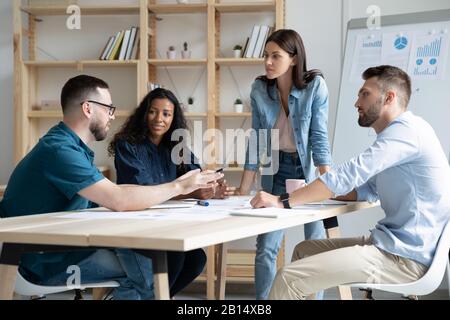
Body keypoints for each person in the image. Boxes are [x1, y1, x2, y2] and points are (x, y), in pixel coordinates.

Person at [0, 75, 223, 300]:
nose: (112, 115)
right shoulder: (60, 151)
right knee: (154, 269)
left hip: (60, 245)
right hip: (41, 261)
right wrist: (179, 186)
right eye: (108, 108)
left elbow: (106, 200)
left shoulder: (75, 149)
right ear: (88, 108)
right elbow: (119, 199)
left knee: (188, 258)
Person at [249, 65, 450, 299]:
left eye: (365, 94)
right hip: (389, 245)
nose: (356, 102)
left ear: (389, 97)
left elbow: (348, 174)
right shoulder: (397, 137)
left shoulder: (407, 131)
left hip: (404, 258)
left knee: (287, 277)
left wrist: (283, 200)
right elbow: (366, 189)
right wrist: (310, 192)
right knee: (305, 251)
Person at [233, 29, 332, 299]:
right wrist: (243, 188)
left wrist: (330, 183)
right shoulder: (259, 89)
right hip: (275, 172)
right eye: (266, 55)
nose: (267, 62)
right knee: (267, 246)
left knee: (315, 245)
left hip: (308, 172)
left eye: (276, 56)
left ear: (294, 59)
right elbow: (256, 139)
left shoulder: (315, 87)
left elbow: (319, 136)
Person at [108, 87, 232, 297]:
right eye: (153, 111)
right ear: (143, 113)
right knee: (174, 256)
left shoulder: (177, 147)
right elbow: (144, 189)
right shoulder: (127, 144)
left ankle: (155, 297)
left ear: (174, 118)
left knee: (197, 259)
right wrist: (192, 192)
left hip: (166, 225)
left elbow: (196, 175)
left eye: (166, 114)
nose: (159, 119)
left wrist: (212, 187)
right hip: (135, 226)